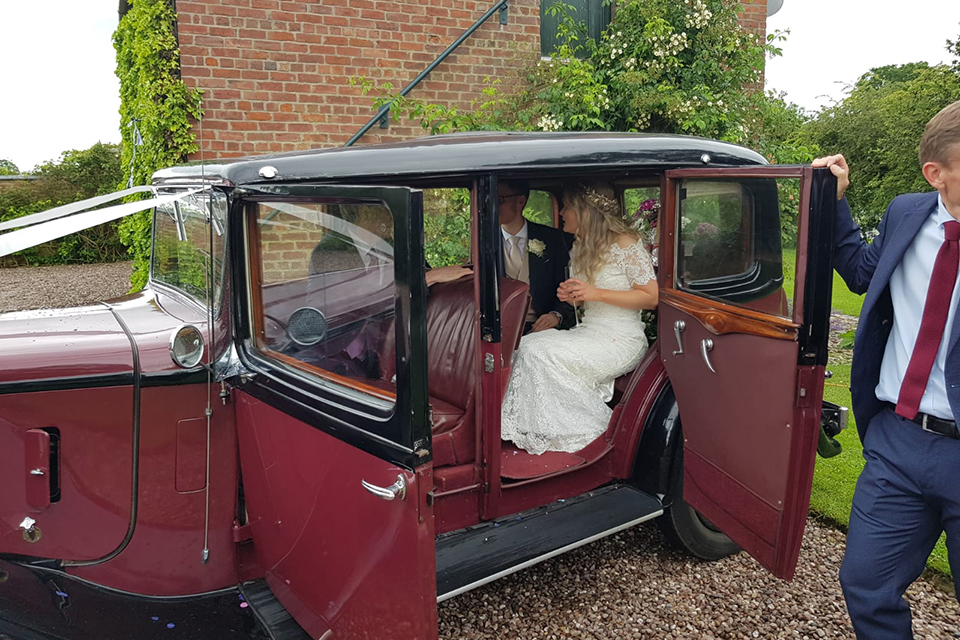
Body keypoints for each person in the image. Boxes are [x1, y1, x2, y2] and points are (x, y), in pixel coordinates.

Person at [814, 99, 960, 639]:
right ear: (936, 174)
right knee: (866, 586)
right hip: (897, 443)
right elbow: (859, 272)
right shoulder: (906, 213)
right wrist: (836, 201)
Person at [501, 182, 658, 454]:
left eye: (566, 207)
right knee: (528, 346)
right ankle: (547, 427)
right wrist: (573, 296)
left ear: (585, 212)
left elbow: (651, 297)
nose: (561, 213)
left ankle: (594, 428)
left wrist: (594, 293)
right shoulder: (582, 246)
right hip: (589, 331)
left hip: (621, 339)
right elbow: (588, 296)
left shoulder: (626, 244)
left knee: (538, 351)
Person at [498, 180, 574, 332]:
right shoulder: (483, 241)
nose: (492, 207)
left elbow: (568, 285)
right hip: (499, 330)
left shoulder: (552, 238)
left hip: (540, 328)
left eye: (500, 200)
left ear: (520, 201)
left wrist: (556, 315)